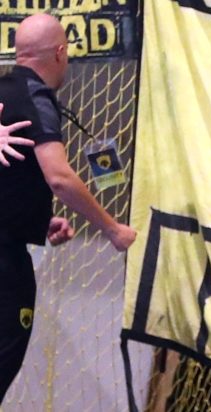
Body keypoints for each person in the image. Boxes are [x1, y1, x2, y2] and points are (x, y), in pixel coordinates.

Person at [0, 13, 136, 403]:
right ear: (61, 52)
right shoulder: (35, 97)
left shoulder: (6, 91)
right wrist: (112, 228)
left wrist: (35, 217)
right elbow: (59, 177)